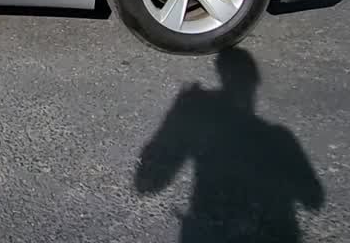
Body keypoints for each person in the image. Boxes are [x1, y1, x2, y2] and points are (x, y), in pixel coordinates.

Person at [135, 49, 324, 243]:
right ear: (254, 84)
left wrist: (177, 115)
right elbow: (313, 198)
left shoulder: (202, 121)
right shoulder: (280, 138)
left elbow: (147, 182)